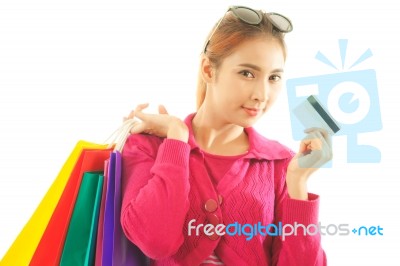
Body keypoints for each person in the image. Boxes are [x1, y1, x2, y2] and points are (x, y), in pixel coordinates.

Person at [120, 5, 331, 266]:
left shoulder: (281, 165)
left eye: (273, 78)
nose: (262, 94)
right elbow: (156, 241)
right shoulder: (149, 148)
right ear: (209, 70)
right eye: (247, 73)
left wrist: (298, 183)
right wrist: (177, 138)